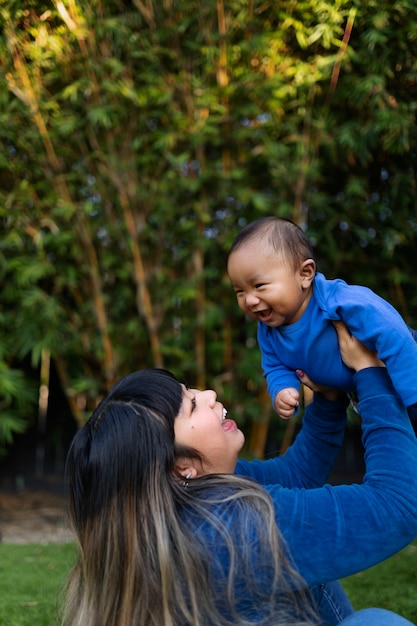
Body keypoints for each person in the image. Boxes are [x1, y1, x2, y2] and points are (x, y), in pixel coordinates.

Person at [62, 323, 417, 626]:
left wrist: (328, 396)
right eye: (192, 406)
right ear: (180, 467)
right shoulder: (233, 529)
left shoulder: (180, 507)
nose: (211, 394)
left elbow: (296, 474)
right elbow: (399, 504)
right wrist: (372, 374)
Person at [227, 216, 417, 420]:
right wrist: (282, 390)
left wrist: (413, 392)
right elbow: (275, 366)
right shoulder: (267, 330)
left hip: (408, 364)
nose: (250, 300)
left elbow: (392, 332)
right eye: (240, 291)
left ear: (305, 274)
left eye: (259, 286)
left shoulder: (337, 301)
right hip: (374, 392)